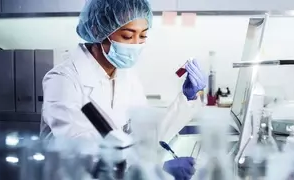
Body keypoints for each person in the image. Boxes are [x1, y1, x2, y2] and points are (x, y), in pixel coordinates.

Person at [40, 0, 206, 179]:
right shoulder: (62, 80)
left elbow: (145, 136)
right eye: (128, 36)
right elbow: (83, 153)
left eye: (143, 36)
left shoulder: (126, 76)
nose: (136, 45)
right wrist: (157, 168)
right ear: (98, 31)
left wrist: (187, 98)